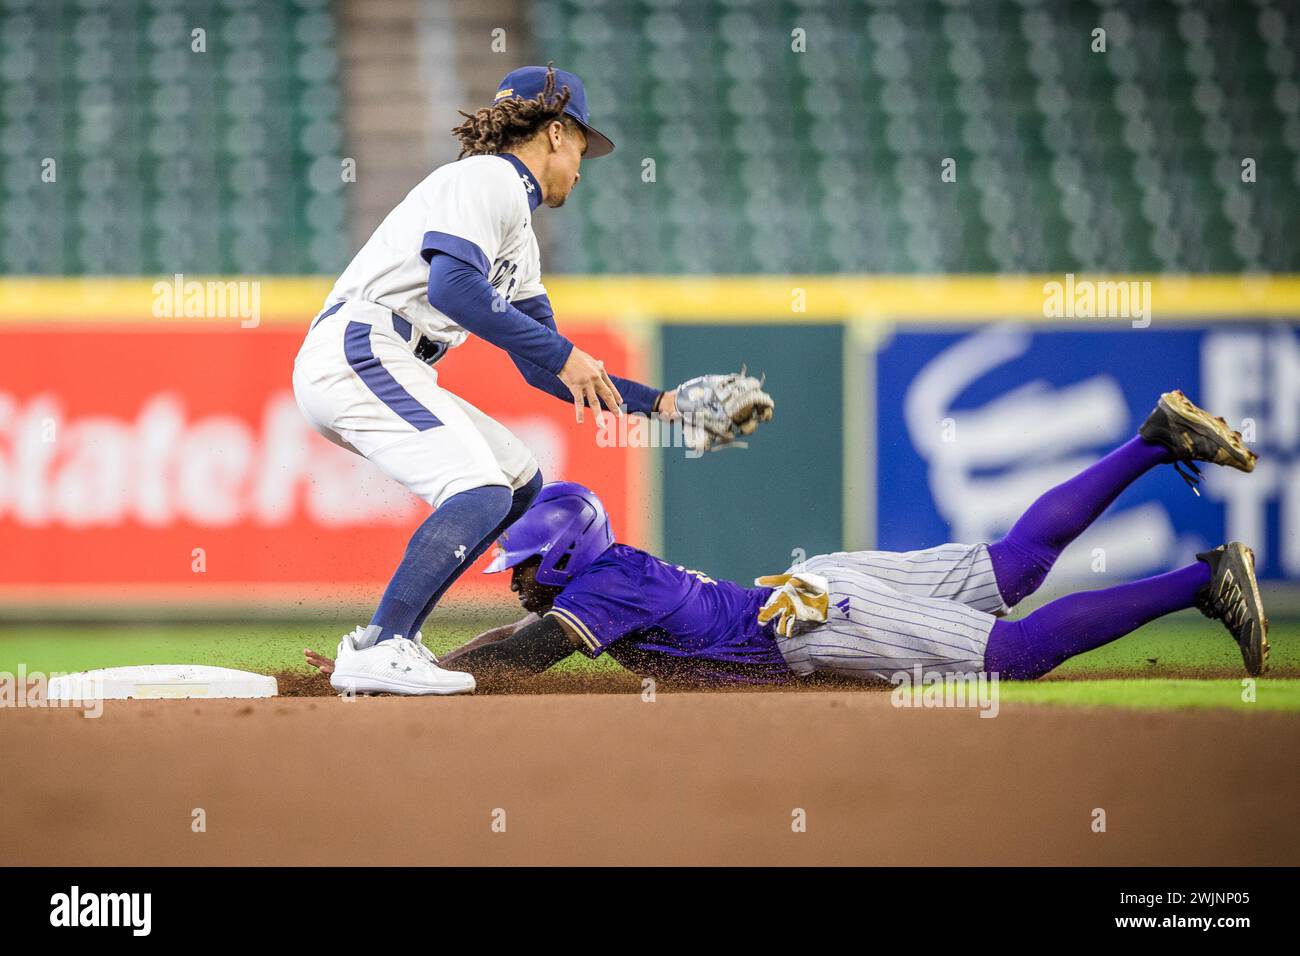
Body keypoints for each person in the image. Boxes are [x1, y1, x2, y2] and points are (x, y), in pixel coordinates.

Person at [292, 65, 772, 695]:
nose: (581, 165)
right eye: (581, 147)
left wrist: (663, 404)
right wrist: (567, 353)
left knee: (518, 484)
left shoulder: (518, 235)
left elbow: (543, 368)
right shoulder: (487, 177)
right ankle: (382, 644)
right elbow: (453, 287)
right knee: (479, 489)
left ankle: (392, 643)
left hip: (391, 356)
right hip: (363, 347)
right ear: (553, 132)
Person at [307, 391, 1269, 691]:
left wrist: (422, 667)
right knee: (1011, 567)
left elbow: (522, 659)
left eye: (522, 567)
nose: (514, 581)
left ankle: (1199, 584)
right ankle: (1150, 442)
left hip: (807, 619)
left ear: (559, 559)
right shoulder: (606, 574)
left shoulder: (595, 593)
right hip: (808, 587)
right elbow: (526, 635)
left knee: (1011, 652)